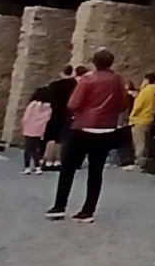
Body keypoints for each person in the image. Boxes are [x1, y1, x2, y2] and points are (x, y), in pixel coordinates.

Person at [48, 49, 127, 223]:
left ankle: (59, 206)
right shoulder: (117, 80)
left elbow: (73, 103)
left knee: (68, 168)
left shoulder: (87, 79)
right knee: (96, 172)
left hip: (83, 128)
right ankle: (88, 210)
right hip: (106, 129)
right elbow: (123, 104)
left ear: (94, 62)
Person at [42, 64, 77, 173]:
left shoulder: (55, 85)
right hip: (67, 113)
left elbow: (49, 99)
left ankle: (48, 160)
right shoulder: (74, 85)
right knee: (61, 139)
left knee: (51, 138)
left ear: (61, 73)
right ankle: (58, 161)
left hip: (55, 112)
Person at [122, 69, 155, 169]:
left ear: (146, 80)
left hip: (139, 120)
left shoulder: (145, 91)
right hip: (149, 118)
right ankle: (144, 161)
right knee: (145, 141)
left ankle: (139, 162)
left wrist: (131, 117)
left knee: (139, 142)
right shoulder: (154, 91)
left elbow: (138, 106)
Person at [19, 85, 52, 174]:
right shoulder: (48, 107)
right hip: (39, 130)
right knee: (35, 149)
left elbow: (27, 116)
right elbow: (47, 119)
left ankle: (27, 167)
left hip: (29, 127)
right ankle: (37, 167)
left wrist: (23, 124)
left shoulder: (33, 104)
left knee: (28, 148)